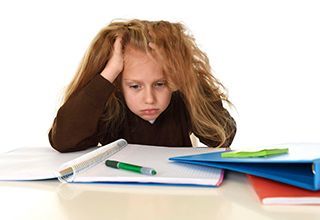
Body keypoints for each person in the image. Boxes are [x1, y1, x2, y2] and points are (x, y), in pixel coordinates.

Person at [49, 19, 237, 153]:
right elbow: (63, 141)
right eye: (135, 86)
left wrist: (188, 82)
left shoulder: (181, 97)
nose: (149, 99)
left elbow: (223, 137)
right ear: (118, 84)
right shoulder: (110, 106)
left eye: (160, 84)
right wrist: (109, 73)